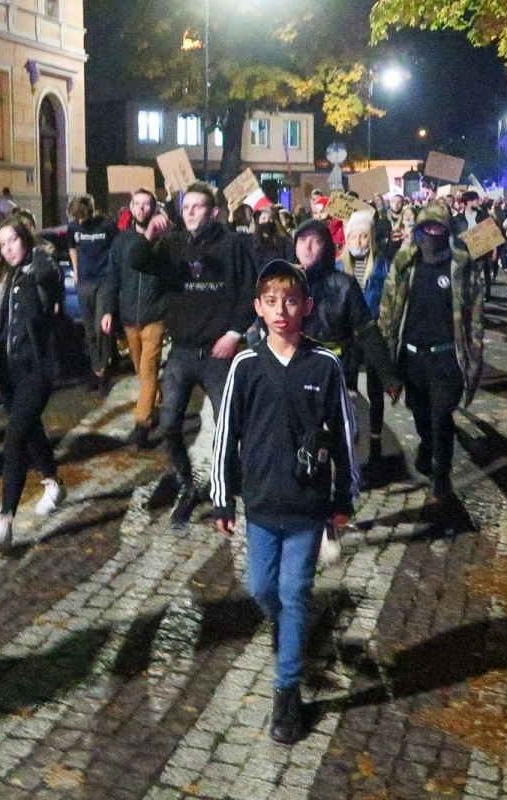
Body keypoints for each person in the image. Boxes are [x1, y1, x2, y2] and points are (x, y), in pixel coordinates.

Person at [210, 260, 356, 745]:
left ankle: (287, 691)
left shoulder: (325, 364)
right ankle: (288, 627)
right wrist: (223, 499)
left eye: (291, 301)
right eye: (271, 301)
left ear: (306, 306)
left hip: (307, 506)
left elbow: (345, 437)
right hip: (261, 505)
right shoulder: (245, 365)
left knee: (295, 592)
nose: (281, 310)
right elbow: (226, 434)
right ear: (258, 307)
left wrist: (343, 496)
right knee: (261, 588)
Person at [137, 180, 257, 527]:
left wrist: (234, 334)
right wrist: (148, 236)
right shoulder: (172, 243)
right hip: (182, 352)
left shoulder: (232, 245)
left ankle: (226, 487)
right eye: (185, 206)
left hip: (218, 353)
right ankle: (187, 483)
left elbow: (250, 292)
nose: (189, 212)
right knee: (168, 424)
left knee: (229, 425)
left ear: (214, 211)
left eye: (197, 206)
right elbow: (137, 261)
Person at [0, 218, 67, 551]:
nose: (8, 249)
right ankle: (53, 481)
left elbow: (50, 277)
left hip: (37, 368)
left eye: (13, 241)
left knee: (15, 438)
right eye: (2, 244)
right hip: (5, 371)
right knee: (30, 429)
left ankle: (5, 520)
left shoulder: (40, 269)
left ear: (26, 239)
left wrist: (40, 255)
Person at [379, 204, 484, 504]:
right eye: (428, 227)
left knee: (441, 417)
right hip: (412, 356)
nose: (433, 233)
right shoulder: (405, 263)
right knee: (420, 413)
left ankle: (442, 477)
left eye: (439, 227)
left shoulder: (461, 265)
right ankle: (427, 446)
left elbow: (475, 315)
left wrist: (474, 355)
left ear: (447, 230)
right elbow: (388, 307)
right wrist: (385, 354)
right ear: (419, 230)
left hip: (447, 356)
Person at [102, 188, 167, 448]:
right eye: (137, 203)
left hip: (154, 316)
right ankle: (155, 402)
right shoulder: (121, 242)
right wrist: (108, 310)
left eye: (146, 204)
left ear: (154, 208)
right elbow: (112, 277)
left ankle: (142, 425)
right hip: (129, 317)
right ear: (130, 208)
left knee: (148, 370)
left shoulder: (163, 240)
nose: (141, 208)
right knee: (142, 371)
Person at [338, 211, 400, 485]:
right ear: (347, 238)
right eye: (355, 236)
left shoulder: (383, 266)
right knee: (348, 391)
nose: (359, 241)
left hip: (374, 334)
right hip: (348, 339)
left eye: (364, 236)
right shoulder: (338, 266)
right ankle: (350, 436)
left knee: (375, 390)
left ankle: (375, 441)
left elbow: (391, 299)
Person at [67, 194, 120, 393]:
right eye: (77, 217)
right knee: (89, 331)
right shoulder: (73, 228)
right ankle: (96, 368)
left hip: (103, 281)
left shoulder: (106, 226)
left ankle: (103, 372)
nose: (80, 221)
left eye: (83, 217)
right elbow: (72, 247)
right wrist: (76, 271)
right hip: (84, 282)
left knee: (101, 329)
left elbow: (116, 250)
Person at [452, 191, 496, 300]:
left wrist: (494, 250)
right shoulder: (458, 218)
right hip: (465, 252)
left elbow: (492, 232)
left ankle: (479, 297)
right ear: (468, 201)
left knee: (476, 276)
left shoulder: (483, 215)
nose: (478, 202)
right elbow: (455, 236)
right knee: (466, 276)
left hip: (480, 251)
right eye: (476, 200)